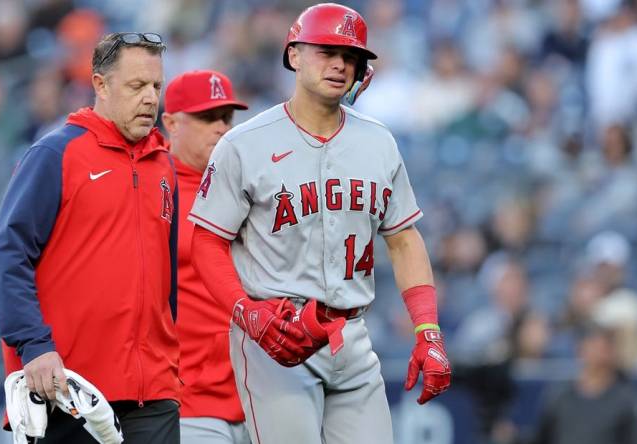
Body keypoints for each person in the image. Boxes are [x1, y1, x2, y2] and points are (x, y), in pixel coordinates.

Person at [188, 4, 451, 443]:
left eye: (351, 57)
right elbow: (207, 243)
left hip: (353, 335)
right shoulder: (244, 144)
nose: (340, 64)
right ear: (293, 54)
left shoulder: (378, 141)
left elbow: (404, 240)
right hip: (278, 336)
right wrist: (246, 311)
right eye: (327, 50)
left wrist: (428, 329)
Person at [0, 32, 181, 443]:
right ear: (100, 85)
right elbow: (8, 257)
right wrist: (34, 346)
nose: (150, 98)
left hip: (154, 393)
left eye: (156, 86)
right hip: (70, 390)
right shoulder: (56, 154)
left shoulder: (163, 165)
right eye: (136, 86)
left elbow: (167, 281)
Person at [160, 69, 251, 443]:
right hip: (187, 398)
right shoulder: (149, 185)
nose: (220, 128)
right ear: (171, 123)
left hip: (255, 396)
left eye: (226, 118)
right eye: (206, 117)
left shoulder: (250, 184)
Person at [530, 324, 637, 444]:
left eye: (604, 348)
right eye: (593, 346)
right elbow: (541, 437)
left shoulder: (626, 400)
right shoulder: (559, 396)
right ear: (580, 349)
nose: (598, 353)